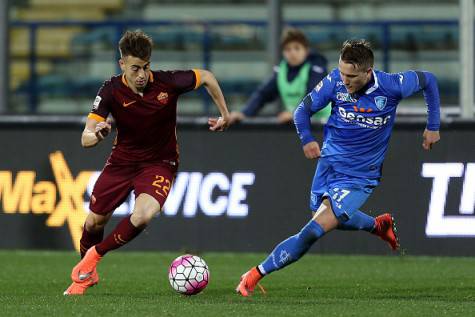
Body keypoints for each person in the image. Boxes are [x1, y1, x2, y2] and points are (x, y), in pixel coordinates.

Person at [236, 39, 441, 297]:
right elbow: (302, 111)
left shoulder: (391, 86)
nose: (345, 80)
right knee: (325, 216)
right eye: (342, 72)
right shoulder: (334, 82)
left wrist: (433, 126)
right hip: (328, 166)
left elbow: (429, 80)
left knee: (312, 231)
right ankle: (378, 226)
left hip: (360, 176)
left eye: (352, 76)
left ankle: (255, 274)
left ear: (368, 72)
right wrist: (307, 139)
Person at [64, 30, 230, 295]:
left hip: (159, 163)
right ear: (122, 65)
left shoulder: (168, 83)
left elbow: (207, 77)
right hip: (122, 162)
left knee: (142, 215)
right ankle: (87, 273)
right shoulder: (110, 90)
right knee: (95, 221)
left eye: (146, 67)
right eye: (135, 68)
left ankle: (93, 257)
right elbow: (85, 138)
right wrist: (97, 134)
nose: (142, 74)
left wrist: (225, 114)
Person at [228, 27, 330, 125]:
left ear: (306, 50)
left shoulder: (317, 69)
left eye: (297, 48)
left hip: (324, 126)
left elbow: (314, 96)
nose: (292, 53)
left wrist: (295, 114)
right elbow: (263, 95)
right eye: (287, 49)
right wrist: (244, 114)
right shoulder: (281, 70)